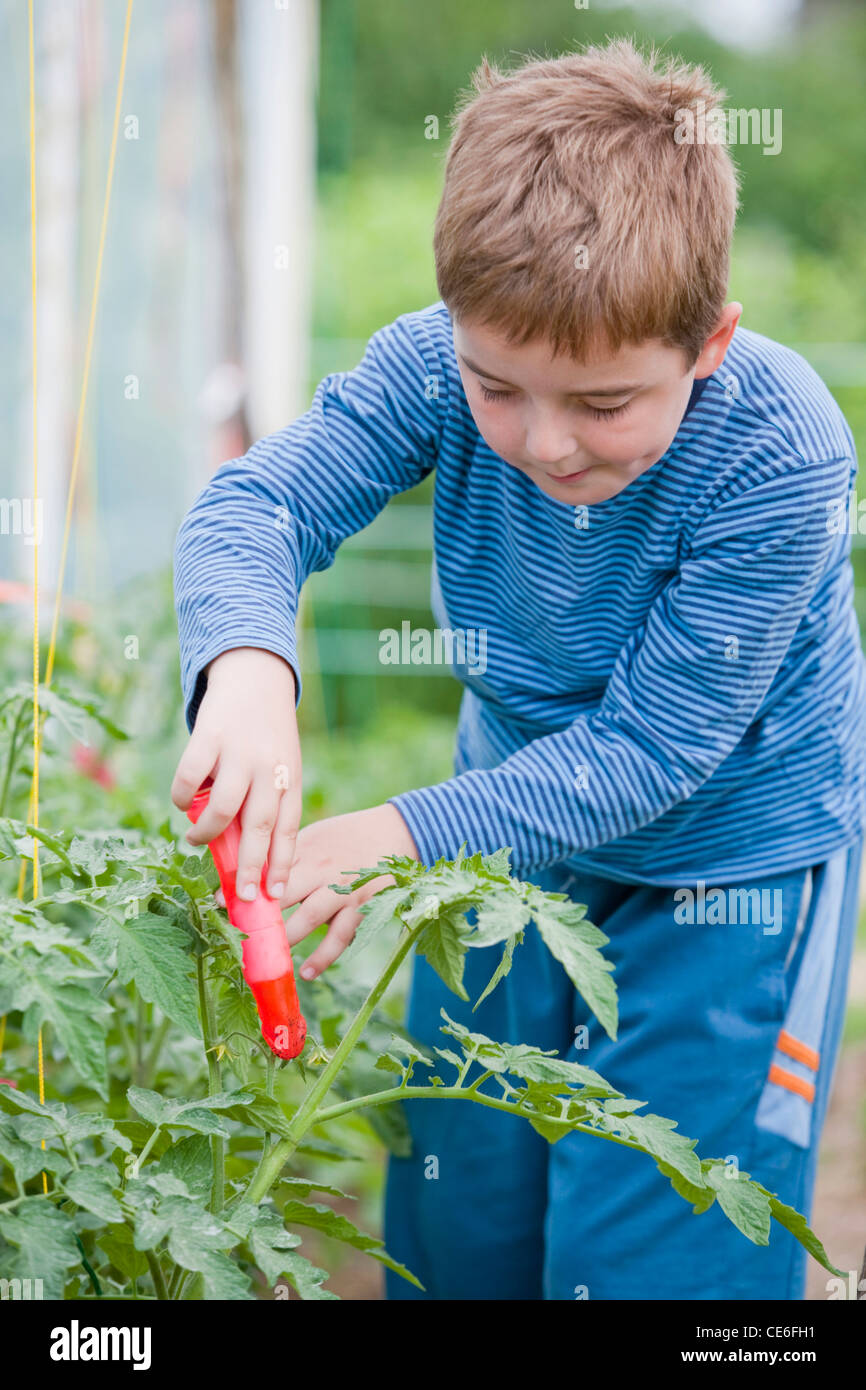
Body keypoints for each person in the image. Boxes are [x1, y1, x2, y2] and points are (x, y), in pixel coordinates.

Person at [172, 39, 866, 1300]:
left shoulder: (780, 449)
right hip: (504, 838)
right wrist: (247, 668)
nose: (543, 441)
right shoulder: (429, 364)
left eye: (603, 404)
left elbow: (652, 753)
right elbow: (256, 506)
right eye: (497, 387)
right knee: (462, 1223)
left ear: (706, 344)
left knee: (652, 1251)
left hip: (731, 869)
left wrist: (389, 829)